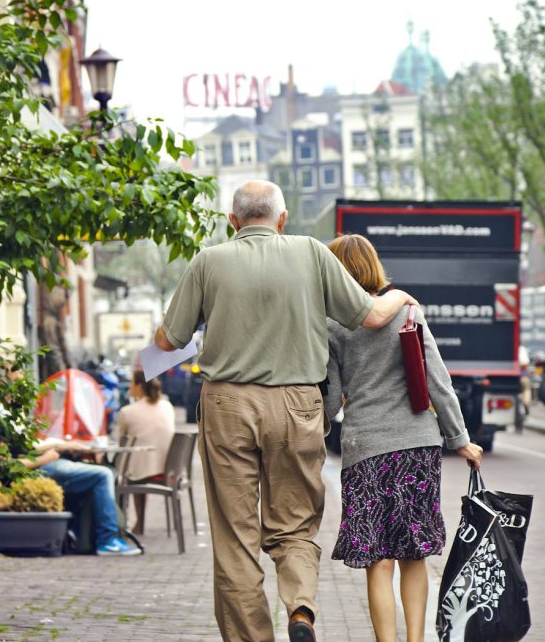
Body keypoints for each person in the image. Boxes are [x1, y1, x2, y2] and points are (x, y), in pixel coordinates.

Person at [153, 180, 416, 642]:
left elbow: (167, 341)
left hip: (227, 404)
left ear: (232, 221)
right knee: (294, 524)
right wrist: (402, 297)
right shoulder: (311, 252)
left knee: (235, 537)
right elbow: (373, 316)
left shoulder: (208, 262)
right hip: (296, 403)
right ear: (282, 219)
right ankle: (300, 609)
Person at [323, 234, 483, 642]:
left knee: (378, 560)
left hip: (365, 449)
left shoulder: (331, 326)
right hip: (416, 446)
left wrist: (311, 430)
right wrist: (460, 439)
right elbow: (437, 381)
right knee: (415, 554)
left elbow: (331, 397)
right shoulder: (407, 312)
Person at [0, 398, 141, 557]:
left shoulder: (0, 415)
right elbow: (6, 466)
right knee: (103, 474)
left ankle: (86, 535)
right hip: (35, 470)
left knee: (96, 473)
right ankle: (107, 540)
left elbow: (22, 450)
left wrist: (60, 446)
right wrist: (45, 459)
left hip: (38, 466)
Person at [114, 368, 176, 534]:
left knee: (121, 475)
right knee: (139, 464)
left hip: (140, 472)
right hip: (169, 468)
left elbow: (121, 443)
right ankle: (137, 523)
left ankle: (120, 525)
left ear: (139, 386)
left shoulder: (127, 412)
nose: (129, 387)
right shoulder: (167, 406)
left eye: (131, 383)